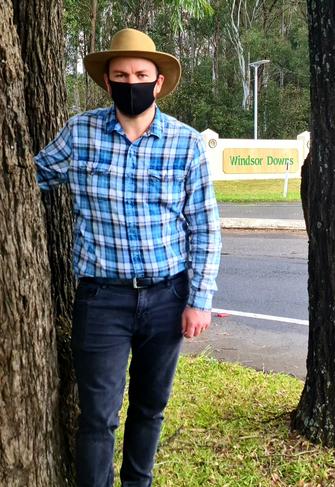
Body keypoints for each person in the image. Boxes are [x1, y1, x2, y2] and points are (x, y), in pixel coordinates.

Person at [34, 28, 221, 486]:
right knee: (97, 416)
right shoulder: (79, 134)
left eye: (141, 73)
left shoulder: (186, 143)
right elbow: (27, 178)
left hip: (167, 298)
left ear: (158, 82)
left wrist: (199, 299)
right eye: (121, 74)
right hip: (101, 301)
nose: (131, 81)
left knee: (150, 407)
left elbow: (204, 226)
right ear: (107, 82)